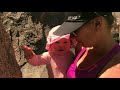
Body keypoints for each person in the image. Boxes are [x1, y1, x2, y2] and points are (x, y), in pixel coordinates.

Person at [53, 12, 120, 78]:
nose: (71, 37)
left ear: (97, 23)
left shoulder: (114, 69)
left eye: (75, 31)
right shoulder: (86, 46)